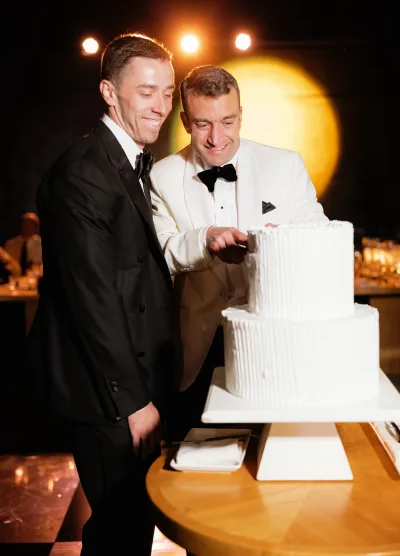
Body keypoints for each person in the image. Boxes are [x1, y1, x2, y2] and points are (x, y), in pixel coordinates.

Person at [27, 32, 181, 556]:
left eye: (167, 90)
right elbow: (91, 300)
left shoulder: (130, 161)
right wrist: (135, 402)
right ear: (109, 93)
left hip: (132, 383)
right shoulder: (82, 174)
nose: (161, 105)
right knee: (119, 532)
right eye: (145, 92)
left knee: (128, 527)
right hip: (105, 396)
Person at [149, 64, 329, 439]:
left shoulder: (285, 165)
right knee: (195, 458)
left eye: (227, 122)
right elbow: (159, 251)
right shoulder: (160, 176)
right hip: (196, 349)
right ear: (184, 120)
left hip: (271, 344)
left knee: (268, 456)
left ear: (242, 115)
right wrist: (205, 240)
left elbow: (319, 234)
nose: (217, 137)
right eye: (202, 124)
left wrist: (279, 244)